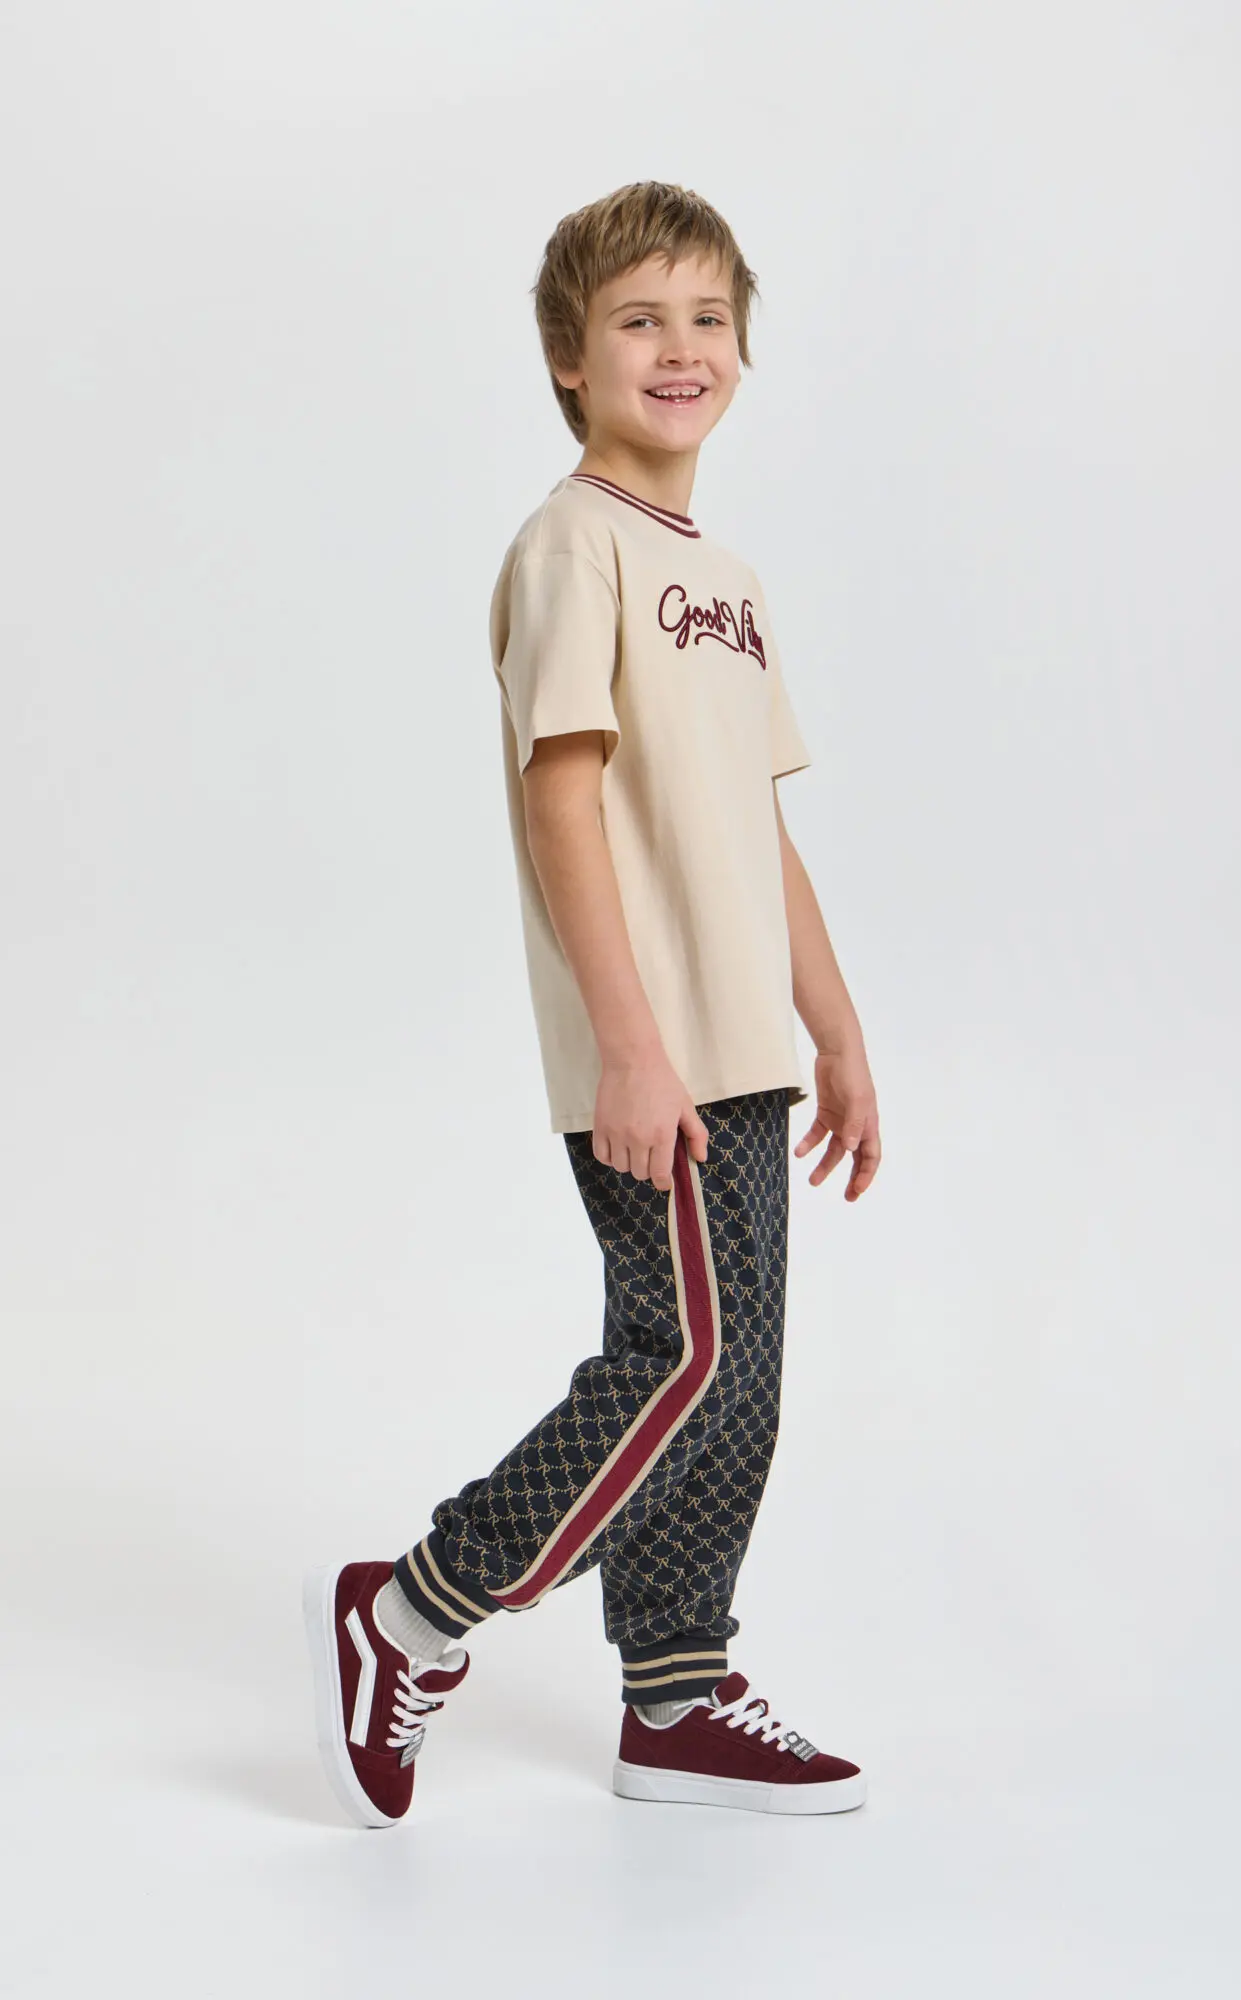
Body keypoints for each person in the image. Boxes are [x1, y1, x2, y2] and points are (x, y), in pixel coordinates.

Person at [303, 179, 882, 1828]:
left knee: (739, 1380)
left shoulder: (730, 578)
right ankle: (412, 1607)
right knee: (678, 1356)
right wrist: (630, 1046)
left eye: (706, 318)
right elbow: (563, 795)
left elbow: (756, 828)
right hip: (651, 1053)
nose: (678, 348)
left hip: (742, 1049)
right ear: (570, 357)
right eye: (639, 320)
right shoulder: (572, 545)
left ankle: (676, 1694)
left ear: (742, 349)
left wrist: (836, 1031)